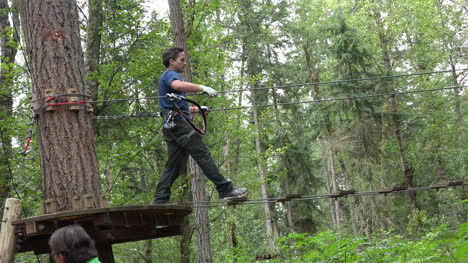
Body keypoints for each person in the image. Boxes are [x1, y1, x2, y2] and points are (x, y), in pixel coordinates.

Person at [153, 47, 247, 204]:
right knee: (202, 155)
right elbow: (178, 86)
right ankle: (226, 189)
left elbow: (178, 107)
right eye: (182, 60)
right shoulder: (170, 75)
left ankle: (160, 199)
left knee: (174, 165)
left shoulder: (169, 80)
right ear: (172, 62)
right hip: (179, 126)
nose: (184, 63)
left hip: (172, 126)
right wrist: (202, 88)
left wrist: (197, 109)